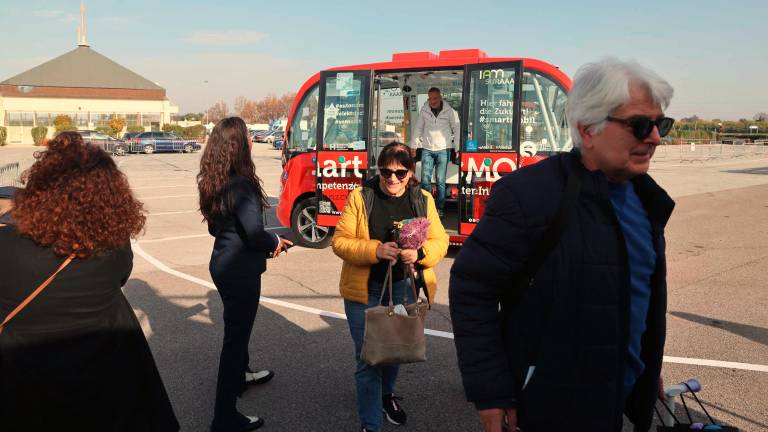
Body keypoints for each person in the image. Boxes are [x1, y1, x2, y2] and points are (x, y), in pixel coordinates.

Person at [449, 58, 676, 432]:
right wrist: (491, 392)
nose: (654, 138)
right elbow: (472, 290)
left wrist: (645, 369)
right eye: (640, 125)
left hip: (618, 398)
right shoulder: (527, 195)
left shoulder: (647, 200)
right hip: (547, 407)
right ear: (588, 130)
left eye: (660, 124)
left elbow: (633, 301)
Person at [0, 132, 179, 431]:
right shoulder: (113, 246)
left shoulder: (7, 246)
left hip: (25, 380)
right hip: (104, 380)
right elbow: (122, 277)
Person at [332, 142, 449, 432]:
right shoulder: (361, 197)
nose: (393, 179)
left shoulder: (421, 198)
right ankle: (370, 425)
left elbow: (440, 241)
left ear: (411, 172)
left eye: (400, 172)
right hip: (365, 290)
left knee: (395, 350)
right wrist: (375, 250)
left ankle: (386, 396)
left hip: (403, 288)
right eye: (386, 172)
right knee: (369, 358)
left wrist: (420, 254)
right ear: (378, 170)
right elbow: (340, 241)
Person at [198, 117, 292, 432]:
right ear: (239, 145)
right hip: (238, 271)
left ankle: (242, 375)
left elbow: (216, 227)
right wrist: (276, 242)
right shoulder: (241, 183)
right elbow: (254, 233)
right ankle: (224, 417)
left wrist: (253, 241)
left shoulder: (218, 179)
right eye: (249, 136)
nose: (253, 140)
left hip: (223, 265)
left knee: (237, 329)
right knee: (234, 339)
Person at [412, 87, 460, 217]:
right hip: (427, 149)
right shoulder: (424, 110)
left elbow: (457, 128)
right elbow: (418, 128)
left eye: (435, 98)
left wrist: (457, 148)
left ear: (440, 98)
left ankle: (440, 208)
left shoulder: (450, 111)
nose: (432, 101)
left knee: (440, 181)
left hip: (443, 150)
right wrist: (414, 146)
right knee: (425, 180)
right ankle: (427, 206)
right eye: (430, 98)